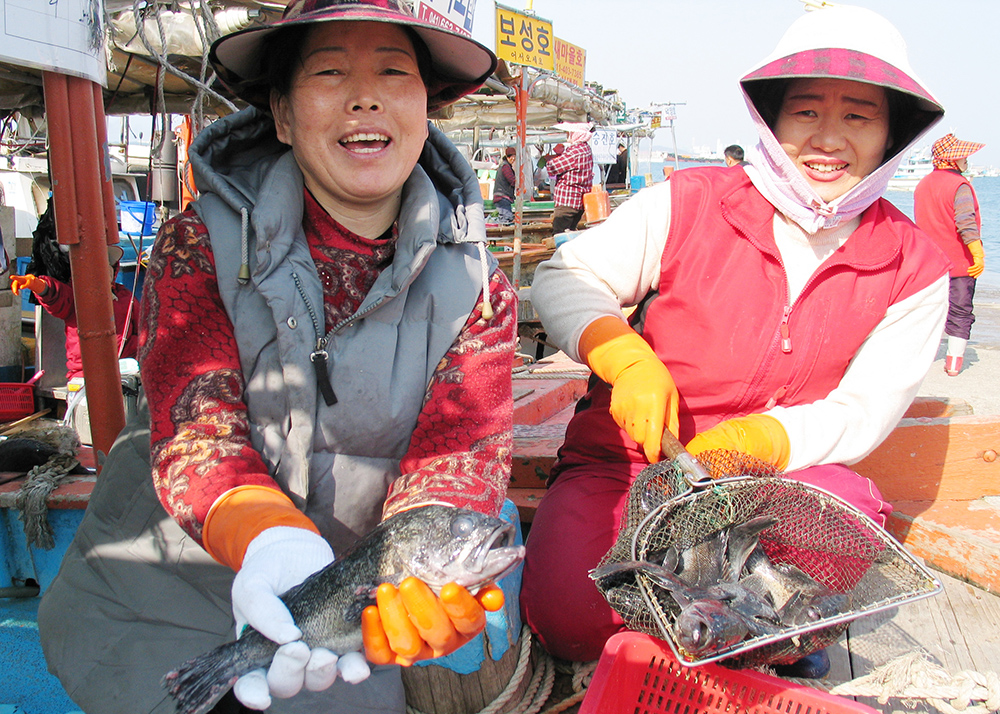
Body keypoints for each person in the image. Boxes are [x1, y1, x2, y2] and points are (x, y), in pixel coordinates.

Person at [37, 2, 517, 713]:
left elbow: (457, 455)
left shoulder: (480, 291)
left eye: (395, 71)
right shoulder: (197, 244)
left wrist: (423, 575)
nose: (365, 95)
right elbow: (201, 428)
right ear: (283, 115)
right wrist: (268, 540)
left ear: (426, 106)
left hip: (338, 627)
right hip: (156, 604)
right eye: (329, 71)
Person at [520, 5, 949, 678]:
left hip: (772, 483)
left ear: (894, 131)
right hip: (629, 465)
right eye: (806, 112)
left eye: (859, 116)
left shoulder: (915, 264)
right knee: (567, 618)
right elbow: (565, 276)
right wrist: (622, 356)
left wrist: (764, 441)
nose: (827, 138)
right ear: (773, 121)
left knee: (852, 514)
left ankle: (741, 631)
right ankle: (738, 633)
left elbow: (866, 407)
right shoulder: (688, 201)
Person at [9, 244, 139, 380]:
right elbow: (56, 295)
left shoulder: (126, 297)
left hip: (125, 371)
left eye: (106, 266)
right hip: (84, 374)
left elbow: (144, 330)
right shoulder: (75, 297)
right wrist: (36, 284)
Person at [914, 134, 986, 376]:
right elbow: (966, 223)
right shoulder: (959, 186)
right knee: (960, 311)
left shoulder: (922, 184)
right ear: (953, 160)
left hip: (929, 262)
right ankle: (953, 364)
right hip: (958, 262)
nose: (966, 159)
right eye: (962, 156)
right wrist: (978, 254)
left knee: (929, 310)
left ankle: (919, 361)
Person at [546, 125, 594, 235]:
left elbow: (553, 167)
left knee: (559, 234)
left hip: (568, 201)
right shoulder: (586, 149)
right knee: (569, 233)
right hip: (577, 201)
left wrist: (548, 160)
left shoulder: (576, 151)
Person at [492, 146, 516, 224]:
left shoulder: (505, 166)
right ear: (507, 157)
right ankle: (501, 234)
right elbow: (512, 180)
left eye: (514, 157)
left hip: (502, 197)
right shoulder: (506, 167)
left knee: (507, 217)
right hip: (502, 197)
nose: (513, 159)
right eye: (511, 157)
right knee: (506, 218)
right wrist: (520, 184)